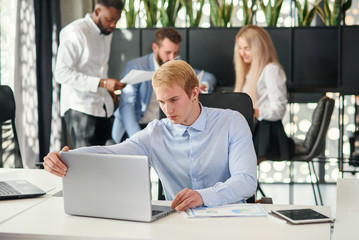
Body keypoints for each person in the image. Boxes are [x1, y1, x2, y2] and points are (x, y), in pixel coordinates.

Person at [44, 60, 257, 211]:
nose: (167, 109)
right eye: (162, 102)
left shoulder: (232, 122)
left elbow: (246, 181)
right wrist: (68, 156)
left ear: (194, 93)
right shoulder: (155, 132)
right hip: (180, 224)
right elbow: (113, 152)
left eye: (174, 100)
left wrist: (204, 195)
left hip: (229, 219)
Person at [111, 27, 217, 143]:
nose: (172, 58)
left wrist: (204, 85)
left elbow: (209, 76)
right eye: (168, 52)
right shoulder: (136, 66)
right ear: (155, 48)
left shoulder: (176, 64)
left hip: (162, 127)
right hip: (133, 127)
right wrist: (138, 139)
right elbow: (127, 106)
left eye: (175, 52)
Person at [54, 0, 126, 148]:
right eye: (110, 19)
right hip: (80, 107)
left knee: (105, 160)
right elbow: (61, 73)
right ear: (98, 11)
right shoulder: (75, 32)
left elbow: (98, 68)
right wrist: (103, 83)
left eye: (116, 20)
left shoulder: (107, 32)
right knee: (86, 163)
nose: (113, 25)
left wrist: (108, 90)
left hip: (102, 108)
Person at [233, 24, 293, 164]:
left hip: (267, 132)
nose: (242, 53)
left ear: (259, 47)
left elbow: (278, 110)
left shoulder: (271, 70)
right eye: (240, 48)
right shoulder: (250, 73)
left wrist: (254, 111)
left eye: (247, 48)